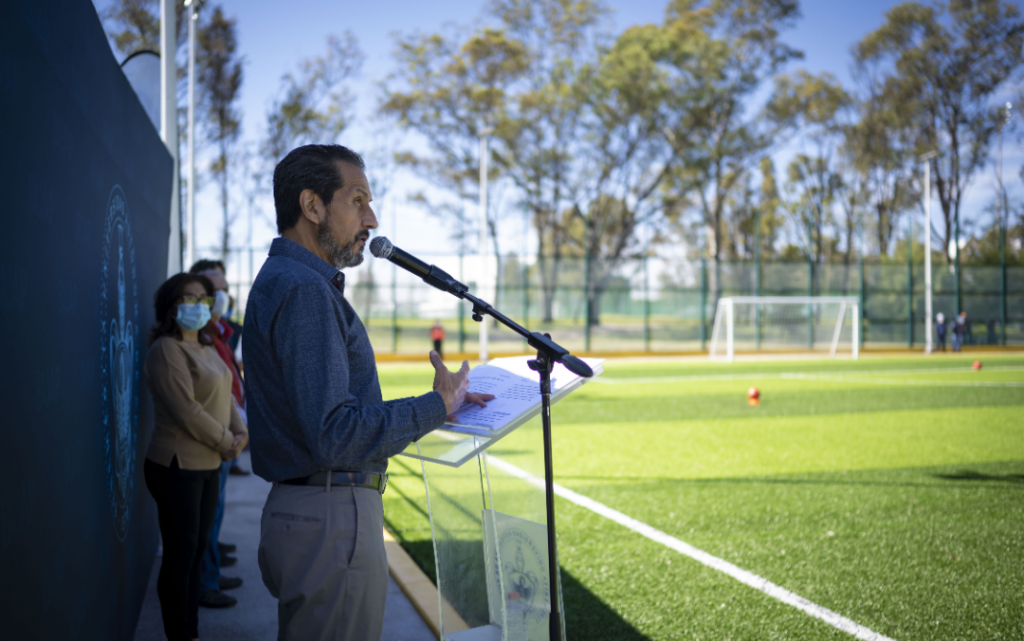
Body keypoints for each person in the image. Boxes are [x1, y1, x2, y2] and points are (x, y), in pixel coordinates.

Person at [244, 144, 493, 641]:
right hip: (331, 522)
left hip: (312, 518)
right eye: (358, 201)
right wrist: (435, 405)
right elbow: (334, 435)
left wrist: (440, 409)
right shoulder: (305, 290)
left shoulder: (289, 281)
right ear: (312, 206)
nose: (372, 218)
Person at [144, 273, 248, 641]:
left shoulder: (207, 345)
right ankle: (180, 633)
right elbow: (186, 410)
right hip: (176, 467)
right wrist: (226, 441)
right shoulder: (166, 350)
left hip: (208, 466)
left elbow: (229, 395)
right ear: (171, 305)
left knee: (195, 551)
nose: (200, 305)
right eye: (189, 298)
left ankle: (191, 630)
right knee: (180, 556)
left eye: (204, 299)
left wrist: (241, 433)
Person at [190, 266, 247, 608]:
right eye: (215, 290)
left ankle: (210, 571)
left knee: (214, 511)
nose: (222, 298)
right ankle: (205, 581)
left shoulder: (219, 332)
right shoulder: (196, 337)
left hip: (228, 434)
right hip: (214, 439)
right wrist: (229, 436)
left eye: (224, 290)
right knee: (205, 517)